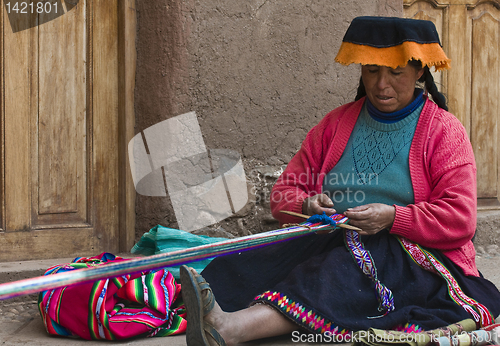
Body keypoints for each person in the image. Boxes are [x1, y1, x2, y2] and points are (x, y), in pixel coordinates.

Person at [180, 16, 500, 346]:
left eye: (396, 72)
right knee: (248, 263)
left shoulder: (444, 131)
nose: (381, 84)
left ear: (420, 72)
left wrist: (392, 217)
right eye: (372, 71)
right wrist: (305, 204)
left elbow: (460, 218)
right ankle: (207, 309)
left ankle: (232, 329)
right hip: (333, 237)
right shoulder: (336, 125)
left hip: (412, 258)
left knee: (337, 273)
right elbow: (282, 195)